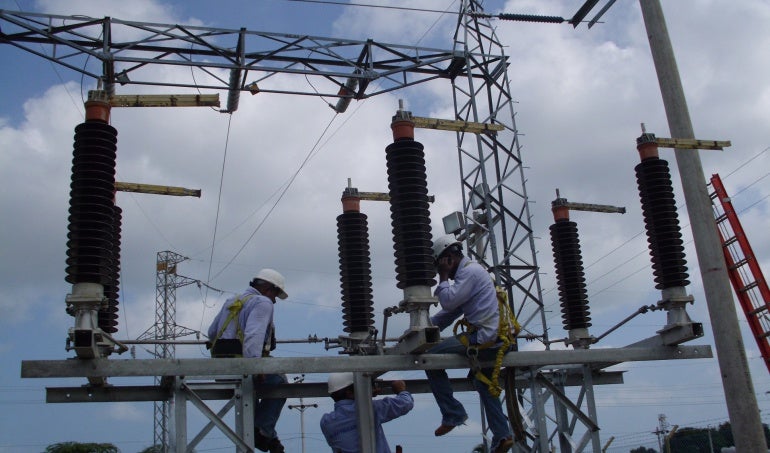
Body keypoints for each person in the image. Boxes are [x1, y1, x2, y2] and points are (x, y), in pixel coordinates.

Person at [425, 235, 514, 453]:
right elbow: (450, 312)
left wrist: (444, 277)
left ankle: (452, 414)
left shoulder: (469, 273)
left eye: (440, 267)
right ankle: (502, 436)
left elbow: (448, 301)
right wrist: (424, 328)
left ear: (448, 258)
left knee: (431, 358)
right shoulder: (473, 274)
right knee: (483, 382)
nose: (440, 272)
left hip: (485, 340)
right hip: (497, 339)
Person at [207, 268, 289, 453]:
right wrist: (255, 367)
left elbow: (212, 333)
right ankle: (263, 432)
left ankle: (266, 433)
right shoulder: (263, 302)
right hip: (243, 368)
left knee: (256, 396)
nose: (275, 299)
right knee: (280, 382)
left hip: (222, 370)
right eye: (275, 293)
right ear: (269, 288)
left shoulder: (232, 301)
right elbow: (254, 335)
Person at [320, 372, 414, 453]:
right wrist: (401, 390)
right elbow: (405, 403)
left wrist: (366, 395)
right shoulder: (369, 409)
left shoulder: (326, 422)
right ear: (349, 393)